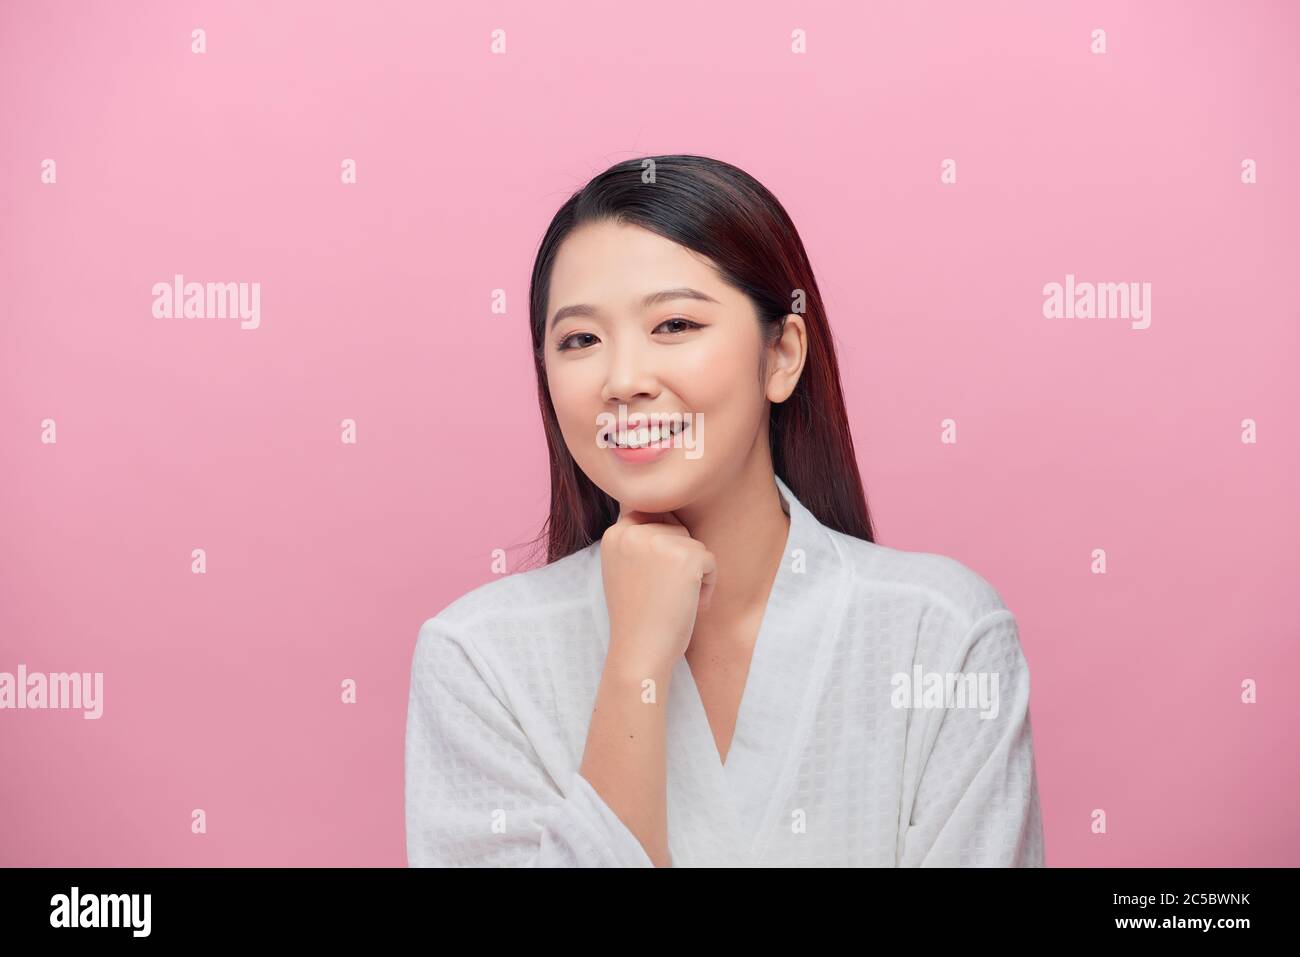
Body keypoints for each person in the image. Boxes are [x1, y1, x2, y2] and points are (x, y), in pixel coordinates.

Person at [405, 154, 1044, 867]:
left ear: (782, 355)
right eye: (580, 339)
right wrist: (635, 664)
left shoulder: (942, 636)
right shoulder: (480, 659)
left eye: (674, 324)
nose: (623, 381)